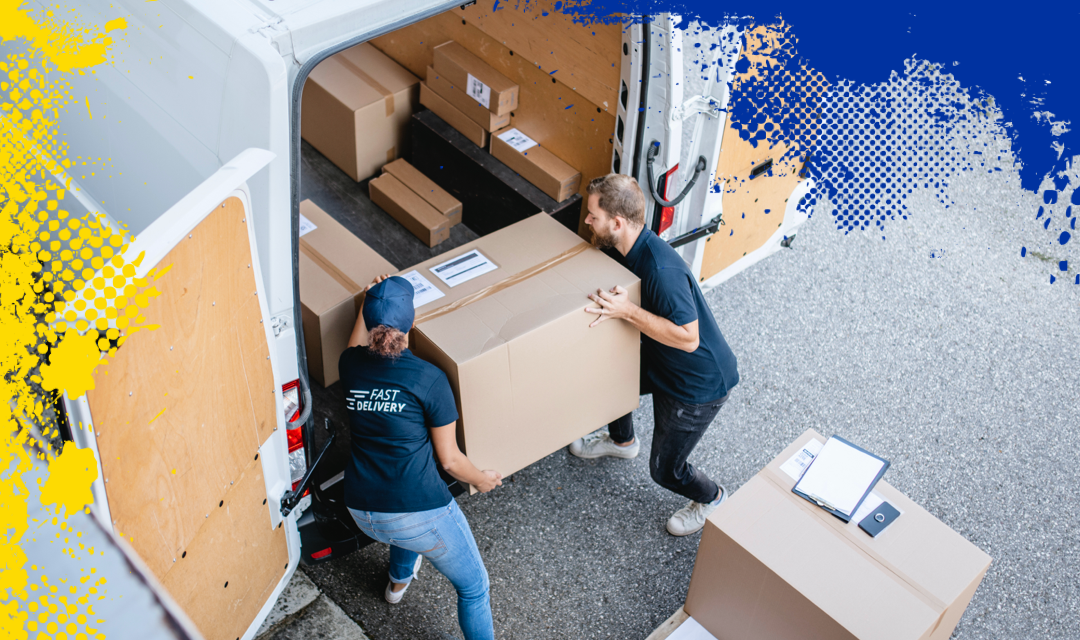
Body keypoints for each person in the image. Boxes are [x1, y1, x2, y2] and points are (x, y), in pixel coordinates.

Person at [570, 173, 740, 536]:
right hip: (663, 358)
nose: (587, 220)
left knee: (665, 471)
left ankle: (713, 499)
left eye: (592, 216)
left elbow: (688, 338)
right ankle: (622, 441)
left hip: (696, 384)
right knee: (612, 380)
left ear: (617, 223)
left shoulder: (661, 271)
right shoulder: (623, 247)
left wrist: (627, 312)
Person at [340, 275, 502, 640]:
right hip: (413, 511)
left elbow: (354, 344)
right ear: (411, 323)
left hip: (360, 508)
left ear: (367, 321)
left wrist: (370, 300)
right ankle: (398, 581)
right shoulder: (429, 378)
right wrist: (482, 479)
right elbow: (450, 461)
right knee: (475, 586)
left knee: (406, 524)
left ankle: (396, 586)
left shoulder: (350, 365)